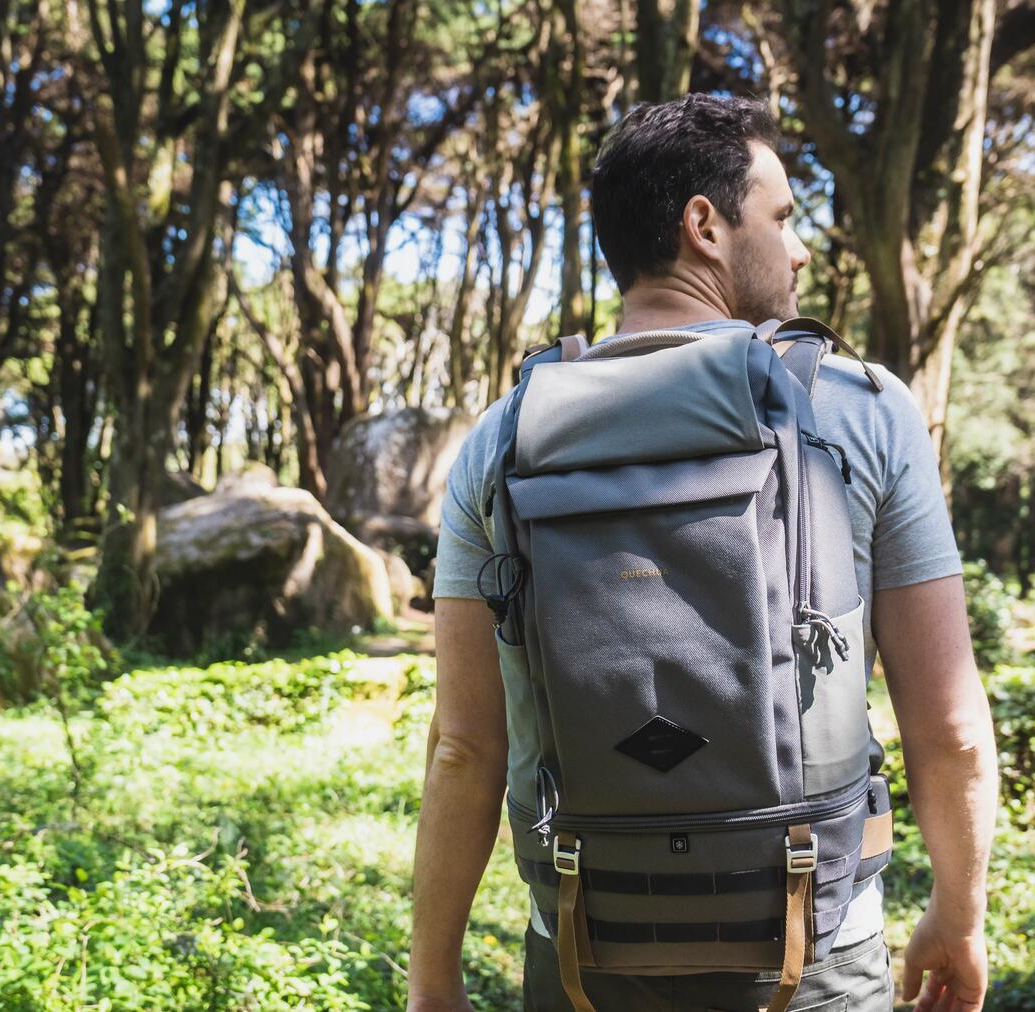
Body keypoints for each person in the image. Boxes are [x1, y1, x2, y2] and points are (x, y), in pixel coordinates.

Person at [407, 93, 998, 1012]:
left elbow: (462, 747)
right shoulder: (863, 409)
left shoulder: (507, 436)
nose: (800, 248)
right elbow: (951, 729)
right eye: (783, 218)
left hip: (582, 947)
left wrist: (432, 981)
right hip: (814, 946)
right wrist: (959, 912)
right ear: (704, 227)